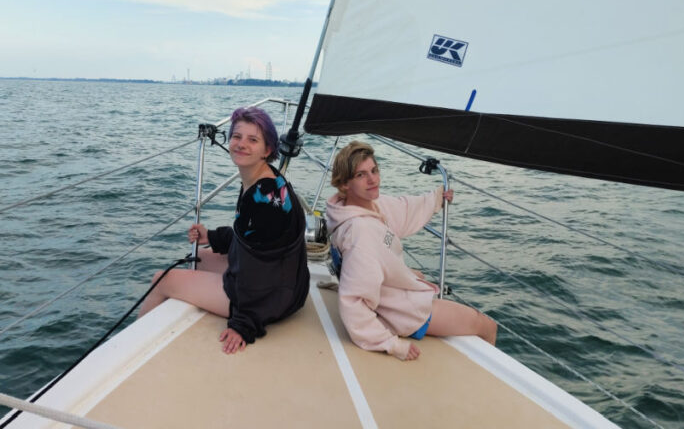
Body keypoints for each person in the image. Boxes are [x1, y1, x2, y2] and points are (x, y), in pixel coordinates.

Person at [138, 106, 310, 354]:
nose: (241, 144)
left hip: (272, 296)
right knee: (197, 258)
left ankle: (132, 349)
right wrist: (212, 237)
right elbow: (253, 240)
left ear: (267, 150)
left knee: (160, 280)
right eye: (237, 136)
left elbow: (256, 271)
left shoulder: (263, 200)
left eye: (253, 140)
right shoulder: (264, 179)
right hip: (287, 282)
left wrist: (244, 324)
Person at [324, 141, 497, 361]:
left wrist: (437, 199)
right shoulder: (362, 232)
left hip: (387, 295)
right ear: (344, 184)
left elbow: (403, 209)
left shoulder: (359, 207)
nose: (372, 179)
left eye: (374, 170)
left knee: (419, 275)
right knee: (486, 325)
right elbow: (354, 301)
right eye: (361, 175)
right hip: (402, 312)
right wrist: (391, 344)